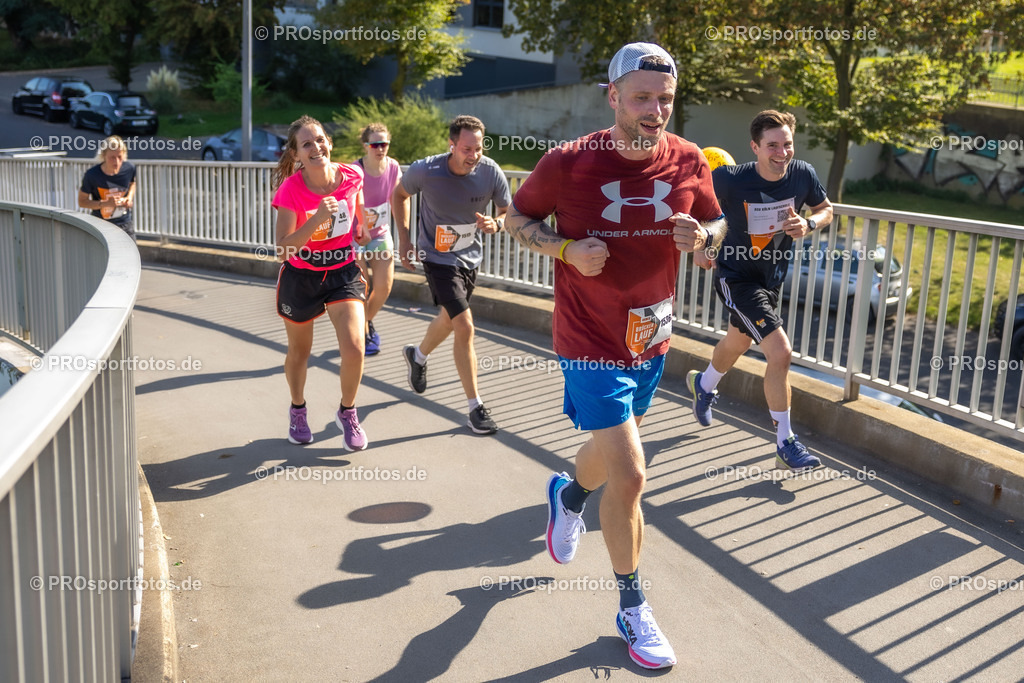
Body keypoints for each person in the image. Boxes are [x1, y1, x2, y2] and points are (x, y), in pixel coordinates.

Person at [506, 43, 726, 670]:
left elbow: (716, 227)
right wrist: (566, 250)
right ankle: (632, 606)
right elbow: (517, 216)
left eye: (665, 98)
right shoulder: (569, 163)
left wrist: (704, 238)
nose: (655, 110)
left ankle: (569, 496)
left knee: (609, 453)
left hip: (651, 336)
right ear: (613, 97)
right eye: (642, 98)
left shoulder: (687, 159)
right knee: (630, 475)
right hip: (588, 337)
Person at [688, 109, 834, 470]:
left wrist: (810, 223)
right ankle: (786, 442)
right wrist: (700, 248)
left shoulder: (802, 174)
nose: (781, 152)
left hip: (771, 280)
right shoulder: (729, 180)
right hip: (736, 278)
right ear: (755, 147)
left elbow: (826, 209)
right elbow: (693, 208)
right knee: (780, 353)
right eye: (772, 145)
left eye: (787, 144)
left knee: (737, 341)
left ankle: (704, 386)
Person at [392, 115, 511, 435]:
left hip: (469, 259)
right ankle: (476, 408)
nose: (474, 154)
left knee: (449, 317)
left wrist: (496, 224)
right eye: (467, 148)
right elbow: (398, 195)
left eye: (479, 147)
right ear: (452, 145)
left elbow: (507, 211)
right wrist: (404, 240)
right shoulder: (426, 170)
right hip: (437, 257)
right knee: (464, 324)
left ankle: (417, 356)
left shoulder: (489, 170)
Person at [271, 115, 371, 451]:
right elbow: (283, 249)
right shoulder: (291, 190)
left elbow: (356, 200)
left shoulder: (353, 174)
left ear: (330, 141)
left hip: (342, 272)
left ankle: (347, 411)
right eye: (307, 144)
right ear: (296, 154)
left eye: (320, 139)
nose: (316, 147)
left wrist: (360, 224)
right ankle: (298, 409)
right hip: (302, 276)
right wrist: (317, 218)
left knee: (355, 347)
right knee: (300, 352)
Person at [354, 122, 402, 356]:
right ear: (366, 146)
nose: (380, 148)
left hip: (381, 233)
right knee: (363, 287)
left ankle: (364, 322)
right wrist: (363, 225)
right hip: (356, 237)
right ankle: (363, 334)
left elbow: (399, 199)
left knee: (384, 287)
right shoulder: (356, 170)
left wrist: (404, 232)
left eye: (384, 144)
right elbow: (356, 200)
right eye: (375, 144)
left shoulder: (393, 167)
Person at [78, 135, 137, 239]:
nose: (117, 162)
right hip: (101, 225)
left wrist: (129, 198)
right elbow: (82, 201)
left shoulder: (129, 168)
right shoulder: (92, 175)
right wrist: (106, 204)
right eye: (112, 158)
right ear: (103, 156)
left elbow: (133, 183)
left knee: (133, 255)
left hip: (125, 223)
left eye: (120, 157)